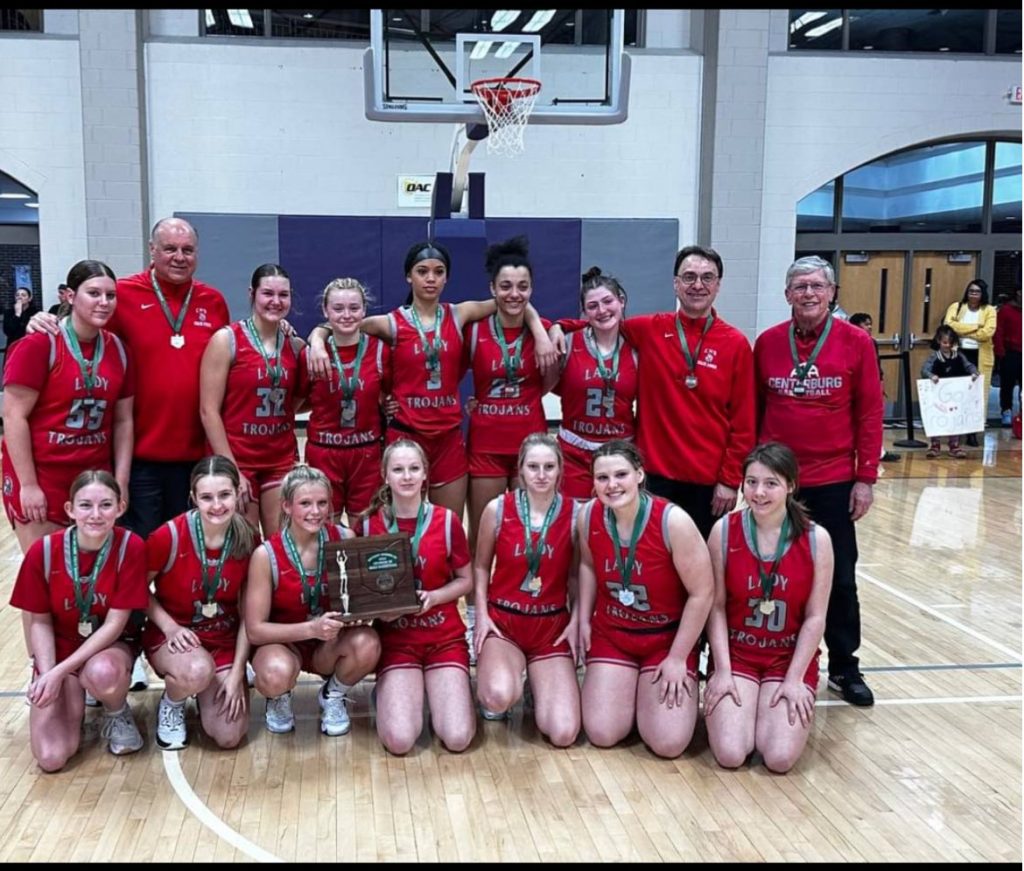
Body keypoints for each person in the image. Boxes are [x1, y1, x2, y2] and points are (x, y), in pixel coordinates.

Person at [306, 240, 556, 520]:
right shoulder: (391, 323)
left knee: (448, 526)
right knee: (402, 527)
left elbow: (511, 302)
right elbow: (343, 323)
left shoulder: (460, 314)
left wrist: (541, 331)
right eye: (422, 271)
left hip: (447, 439)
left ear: (446, 277)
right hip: (406, 435)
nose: (430, 278)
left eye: (438, 272)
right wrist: (317, 339)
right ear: (408, 276)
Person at [27, 217, 231, 537]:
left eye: (188, 250)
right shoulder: (122, 294)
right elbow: (84, 325)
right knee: (140, 547)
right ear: (152, 250)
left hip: (196, 456)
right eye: (170, 249)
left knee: (188, 547)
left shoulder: (214, 301)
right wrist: (45, 319)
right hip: (138, 457)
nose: (179, 257)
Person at [550, 245, 755, 541]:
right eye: (689, 277)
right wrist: (560, 326)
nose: (698, 285)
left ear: (718, 284)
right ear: (675, 283)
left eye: (707, 277)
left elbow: (744, 422)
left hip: (709, 482)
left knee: (701, 560)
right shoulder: (651, 329)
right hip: (653, 475)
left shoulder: (736, 343)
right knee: (650, 555)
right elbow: (603, 322)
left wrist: (729, 479)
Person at [754, 255, 882, 707]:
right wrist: (752, 478)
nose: (808, 293)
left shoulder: (857, 342)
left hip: (832, 479)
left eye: (816, 286)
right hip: (776, 482)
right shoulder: (767, 343)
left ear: (831, 293)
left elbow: (870, 412)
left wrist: (865, 478)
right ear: (786, 294)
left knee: (840, 577)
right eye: (800, 286)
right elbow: (753, 411)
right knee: (770, 574)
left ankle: (845, 667)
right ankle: (774, 658)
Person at [576, 440, 714, 758]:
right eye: (602, 478)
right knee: (602, 732)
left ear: (639, 474)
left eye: (621, 474)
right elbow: (587, 565)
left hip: (665, 641)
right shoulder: (588, 515)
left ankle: (648, 701)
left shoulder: (673, 522)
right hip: (614, 636)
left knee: (668, 743)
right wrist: (583, 619)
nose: (612, 485)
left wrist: (678, 657)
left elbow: (703, 592)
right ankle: (634, 698)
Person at [704, 443, 833, 773]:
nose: (758, 492)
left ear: (790, 485)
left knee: (778, 758)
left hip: (787, 659)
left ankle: (778, 701)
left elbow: (815, 617)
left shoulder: (817, 540)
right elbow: (715, 608)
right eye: (751, 482)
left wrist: (794, 679)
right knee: (730, 753)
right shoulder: (723, 531)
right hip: (738, 656)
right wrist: (722, 670)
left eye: (770, 483)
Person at [8, 470, 148, 771]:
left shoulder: (131, 547)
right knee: (52, 757)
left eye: (105, 505)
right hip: (58, 651)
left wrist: (59, 672)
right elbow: (39, 621)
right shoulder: (43, 551)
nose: (96, 515)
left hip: (108, 647)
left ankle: (116, 711)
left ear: (120, 507)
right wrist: (48, 674)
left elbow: (114, 625)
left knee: (103, 672)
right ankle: (72, 699)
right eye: (85, 505)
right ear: (70, 509)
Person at [2, 260, 133, 554]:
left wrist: (121, 480)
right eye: (94, 293)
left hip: (93, 477)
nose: (104, 302)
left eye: (110, 295)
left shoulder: (119, 351)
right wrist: (28, 485)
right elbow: (13, 417)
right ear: (71, 296)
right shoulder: (39, 344)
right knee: (48, 571)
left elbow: (123, 421)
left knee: (90, 573)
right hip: (43, 475)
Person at [357, 439, 476, 755]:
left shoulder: (447, 521)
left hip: (443, 638)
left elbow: (466, 580)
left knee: (457, 738)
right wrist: (381, 611)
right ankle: (392, 693)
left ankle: (438, 693)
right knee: (399, 741)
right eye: (398, 469)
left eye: (414, 468)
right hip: (397, 641)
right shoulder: (368, 524)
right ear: (385, 475)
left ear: (425, 474)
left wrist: (435, 597)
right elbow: (359, 594)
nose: (407, 476)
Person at [244, 464, 380, 737]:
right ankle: (278, 696)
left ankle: (333, 694)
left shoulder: (345, 538)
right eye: (305, 503)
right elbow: (255, 631)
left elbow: (358, 601)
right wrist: (311, 629)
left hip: (329, 644)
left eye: (322, 503)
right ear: (286, 506)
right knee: (273, 673)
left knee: (369, 643)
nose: (315, 512)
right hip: (285, 644)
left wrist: (365, 611)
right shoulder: (266, 555)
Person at [471, 433, 580, 746]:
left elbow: (577, 576)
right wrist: (480, 615)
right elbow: (481, 567)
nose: (541, 475)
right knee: (497, 697)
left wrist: (577, 621)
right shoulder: (497, 509)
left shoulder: (577, 514)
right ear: (520, 469)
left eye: (549, 467)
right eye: (533, 467)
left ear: (560, 470)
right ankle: (509, 673)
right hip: (504, 623)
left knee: (563, 733)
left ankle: (537, 680)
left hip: (550, 627)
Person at [141, 456, 256, 750]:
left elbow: (250, 614)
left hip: (223, 638)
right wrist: (169, 627)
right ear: (193, 497)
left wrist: (237, 671)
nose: (217, 505)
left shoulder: (248, 539)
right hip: (175, 637)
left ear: (237, 493)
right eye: (207, 497)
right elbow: (135, 589)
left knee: (229, 736)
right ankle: (173, 701)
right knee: (196, 671)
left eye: (225, 495)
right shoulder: (167, 536)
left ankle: (206, 686)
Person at [200, 264, 308, 536]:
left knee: (282, 543)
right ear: (252, 294)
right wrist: (230, 469)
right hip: (239, 458)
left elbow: (301, 400)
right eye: (268, 293)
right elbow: (208, 410)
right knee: (245, 544)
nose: (276, 301)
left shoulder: (296, 347)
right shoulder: (227, 340)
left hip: (280, 459)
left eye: (283, 295)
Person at [464, 236, 553, 553]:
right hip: (486, 444)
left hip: (530, 445)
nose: (514, 294)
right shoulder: (473, 330)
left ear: (531, 290)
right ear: (492, 289)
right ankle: (477, 588)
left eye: (522, 286)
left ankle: (526, 584)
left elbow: (550, 382)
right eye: (505, 286)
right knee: (482, 534)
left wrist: (545, 329)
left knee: (528, 532)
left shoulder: (545, 331)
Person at [305, 278, 391, 523]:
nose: (346, 315)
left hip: (367, 454)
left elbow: (388, 393)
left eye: (354, 308)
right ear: (325, 311)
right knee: (323, 528)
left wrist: (389, 404)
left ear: (364, 310)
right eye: (338, 308)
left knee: (364, 530)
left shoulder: (380, 351)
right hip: (324, 453)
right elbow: (298, 401)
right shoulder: (311, 354)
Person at [552, 268, 638, 501]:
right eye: (592, 306)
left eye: (608, 301)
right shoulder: (567, 342)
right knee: (575, 520)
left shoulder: (637, 347)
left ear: (621, 301)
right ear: (584, 312)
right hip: (574, 453)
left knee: (616, 519)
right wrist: (556, 326)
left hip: (620, 453)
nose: (602, 311)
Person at [943, 278, 997, 447]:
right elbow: (949, 325)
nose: (973, 294)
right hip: (959, 354)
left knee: (976, 395)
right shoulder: (957, 307)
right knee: (956, 392)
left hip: (979, 356)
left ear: (983, 294)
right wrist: (976, 327)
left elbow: (986, 333)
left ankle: (972, 433)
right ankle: (954, 432)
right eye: (971, 291)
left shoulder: (989, 310)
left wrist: (963, 330)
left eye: (977, 292)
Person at [920, 324, 980, 459]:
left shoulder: (959, 356)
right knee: (936, 418)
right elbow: (924, 370)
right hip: (938, 395)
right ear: (938, 341)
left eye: (950, 343)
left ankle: (954, 445)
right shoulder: (934, 357)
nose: (947, 345)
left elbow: (969, 366)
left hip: (955, 395)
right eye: (944, 342)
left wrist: (974, 373)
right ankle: (935, 445)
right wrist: (931, 376)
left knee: (955, 419)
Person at [848, 312, 899, 463]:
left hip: (872, 383)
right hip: (852, 384)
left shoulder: (872, 342)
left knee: (873, 420)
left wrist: (879, 382)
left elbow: (876, 365)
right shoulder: (847, 341)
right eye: (866, 324)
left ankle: (878, 451)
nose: (869, 327)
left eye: (870, 324)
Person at [994, 286, 1022, 427]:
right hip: (1010, 353)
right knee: (1007, 385)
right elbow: (998, 331)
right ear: (1018, 293)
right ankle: (1006, 411)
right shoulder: (1006, 310)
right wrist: (1000, 352)